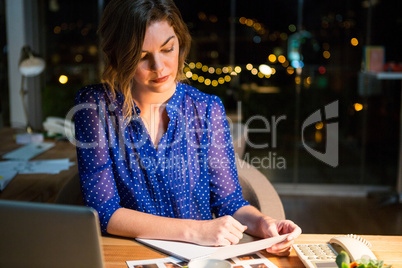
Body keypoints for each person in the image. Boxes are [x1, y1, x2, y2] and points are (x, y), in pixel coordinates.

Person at [74, 0, 301, 256]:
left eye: (167, 48)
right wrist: (196, 231)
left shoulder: (206, 108)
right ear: (118, 55)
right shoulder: (95, 107)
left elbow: (229, 202)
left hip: (200, 259)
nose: (159, 67)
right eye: (141, 56)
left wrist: (263, 223)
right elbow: (104, 212)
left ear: (180, 43)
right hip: (130, 256)